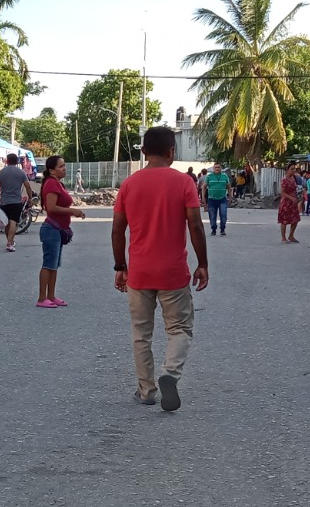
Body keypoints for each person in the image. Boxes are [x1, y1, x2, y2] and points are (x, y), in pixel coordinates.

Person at [111, 125, 208, 413]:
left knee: (141, 333)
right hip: (173, 272)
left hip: (139, 272)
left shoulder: (130, 184)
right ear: (171, 152)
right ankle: (171, 372)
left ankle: (146, 391)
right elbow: (195, 224)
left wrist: (120, 266)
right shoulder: (184, 183)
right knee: (179, 328)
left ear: (143, 152)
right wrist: (202, 263)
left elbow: (118, 229)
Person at [37, 155, 87, 307]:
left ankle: (51, 296)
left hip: (57, 229)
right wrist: (72, 211)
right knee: (48, 264)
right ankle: (41, 298)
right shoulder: (51, 184)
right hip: (52, 228)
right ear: (52, 170)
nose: (64, 168)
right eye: (61, 166)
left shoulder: (58, 183)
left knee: (54, 264)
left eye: (64, 165)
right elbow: (51, 208)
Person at [0, 152, 32, 252]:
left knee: (7, 222)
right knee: (13, 222)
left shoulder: (1, 172)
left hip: (4, 201)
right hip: (16, 201)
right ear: (17, 161)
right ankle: (9, 242)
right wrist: (30, 198)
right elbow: (28, 186)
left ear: (7, 161)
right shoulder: (21, 172)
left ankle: (9, 241)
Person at [201, 164, 230, 235]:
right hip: (212, 199)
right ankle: (213, 229)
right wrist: (203, 197)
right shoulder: (209, 177)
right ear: (213, 169)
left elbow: (229, 186)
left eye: (218, 167)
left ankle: (222, 229)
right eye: (215, 167)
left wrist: (230, 196)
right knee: (212, 216)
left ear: (221, 168)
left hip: (222, 199)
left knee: (223, 215)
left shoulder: (225, 176)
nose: (217, 169)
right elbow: (204, 187)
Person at [278, 164, 303, 244]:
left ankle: (291, 236)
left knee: (295, 219)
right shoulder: (284, 180)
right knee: (284, 220)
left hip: (293, 202)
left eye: (294, 169)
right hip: (286, 202)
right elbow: (282, 193)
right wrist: (291, 198)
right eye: (292, 169)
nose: (293, 171)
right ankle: (283, 237)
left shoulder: (293, 179)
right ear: (287, 170)